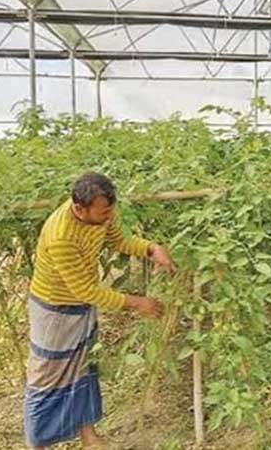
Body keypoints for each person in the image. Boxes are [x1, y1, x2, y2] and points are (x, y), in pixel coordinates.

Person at [23, 172, 176, 449]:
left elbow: (120, 241)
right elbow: (84, 289)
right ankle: (39, 443)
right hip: (54, 310)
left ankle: (89, 437)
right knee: (48, 375)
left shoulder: (102, 212)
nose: (109, 216)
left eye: (110, 210)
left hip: (81, 306)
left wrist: (152, 249)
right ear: (80, 208)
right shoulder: (61, 235)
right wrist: (136, 302)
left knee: (83, 368)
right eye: (104, 212)